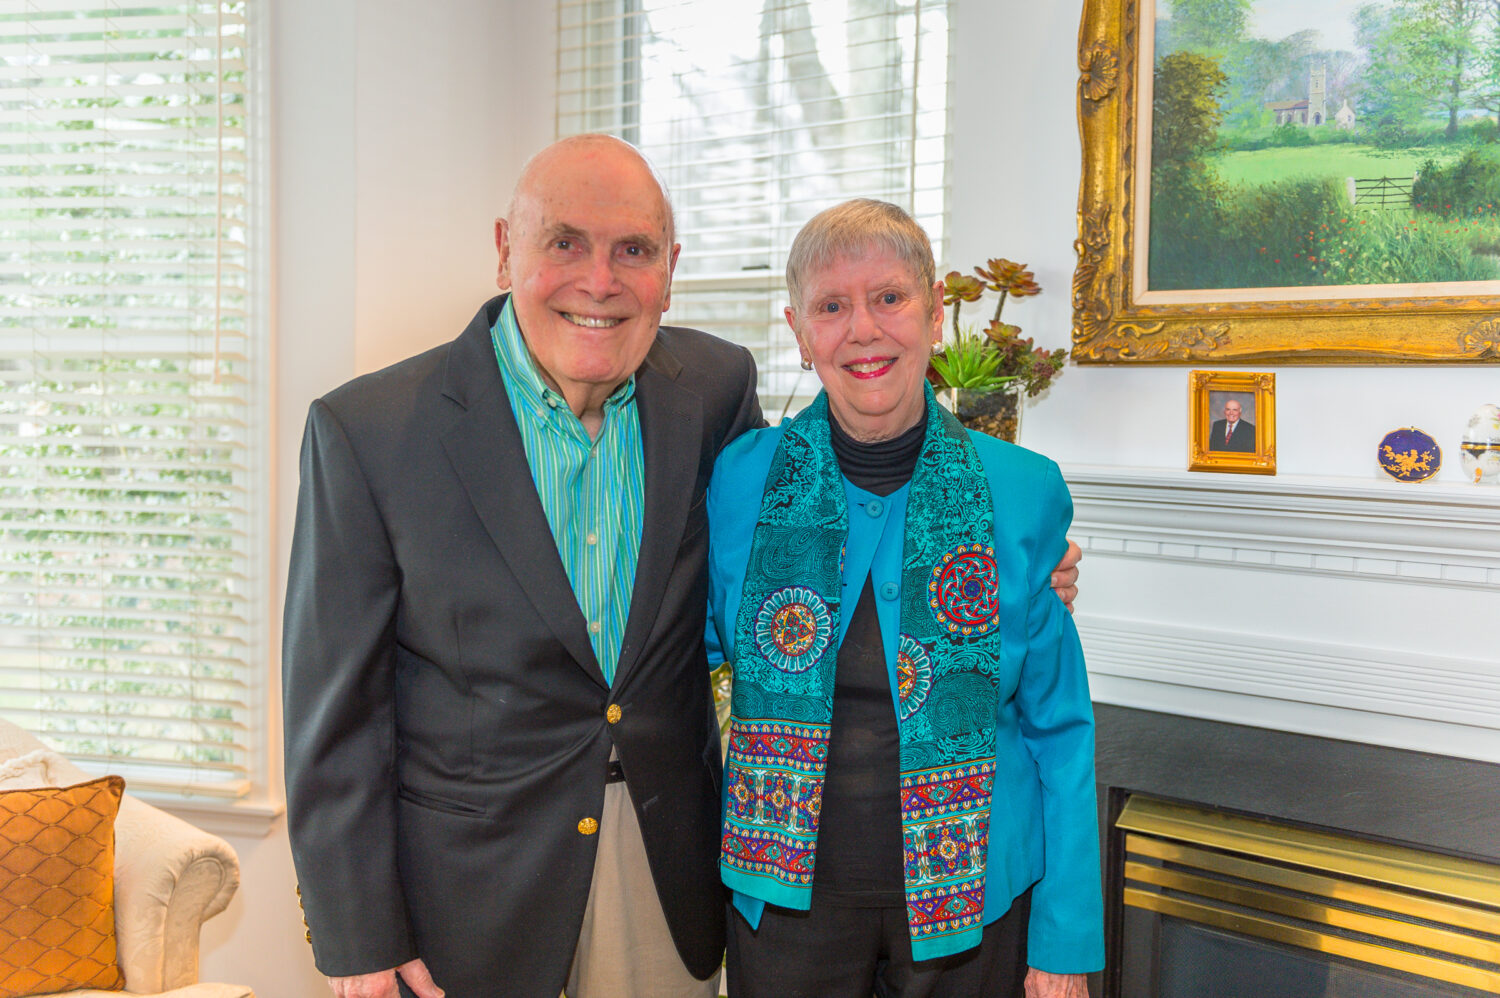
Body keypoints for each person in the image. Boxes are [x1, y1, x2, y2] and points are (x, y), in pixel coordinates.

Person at [283, 137, 1084, 998]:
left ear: (670, 270)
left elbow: (1052, 722)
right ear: (505, 249)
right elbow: (336, 712)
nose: (600, 279)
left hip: (687, 871)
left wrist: (1033, 573)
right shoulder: (370, 431)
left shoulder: (709, 394)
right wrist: (356, 931)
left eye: (632, 249)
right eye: (564, 241)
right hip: (480, 886)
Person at [706, 199, 1103, 998]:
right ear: (798, 330)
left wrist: (1065, 939)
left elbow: (1059, 729)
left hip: (976, 909)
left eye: (888, 297)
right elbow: (688, 641)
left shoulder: (1022, 492)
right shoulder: (738, 479)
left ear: (934, 309)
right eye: (831, 306)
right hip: (784, 910)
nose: (863, 329)